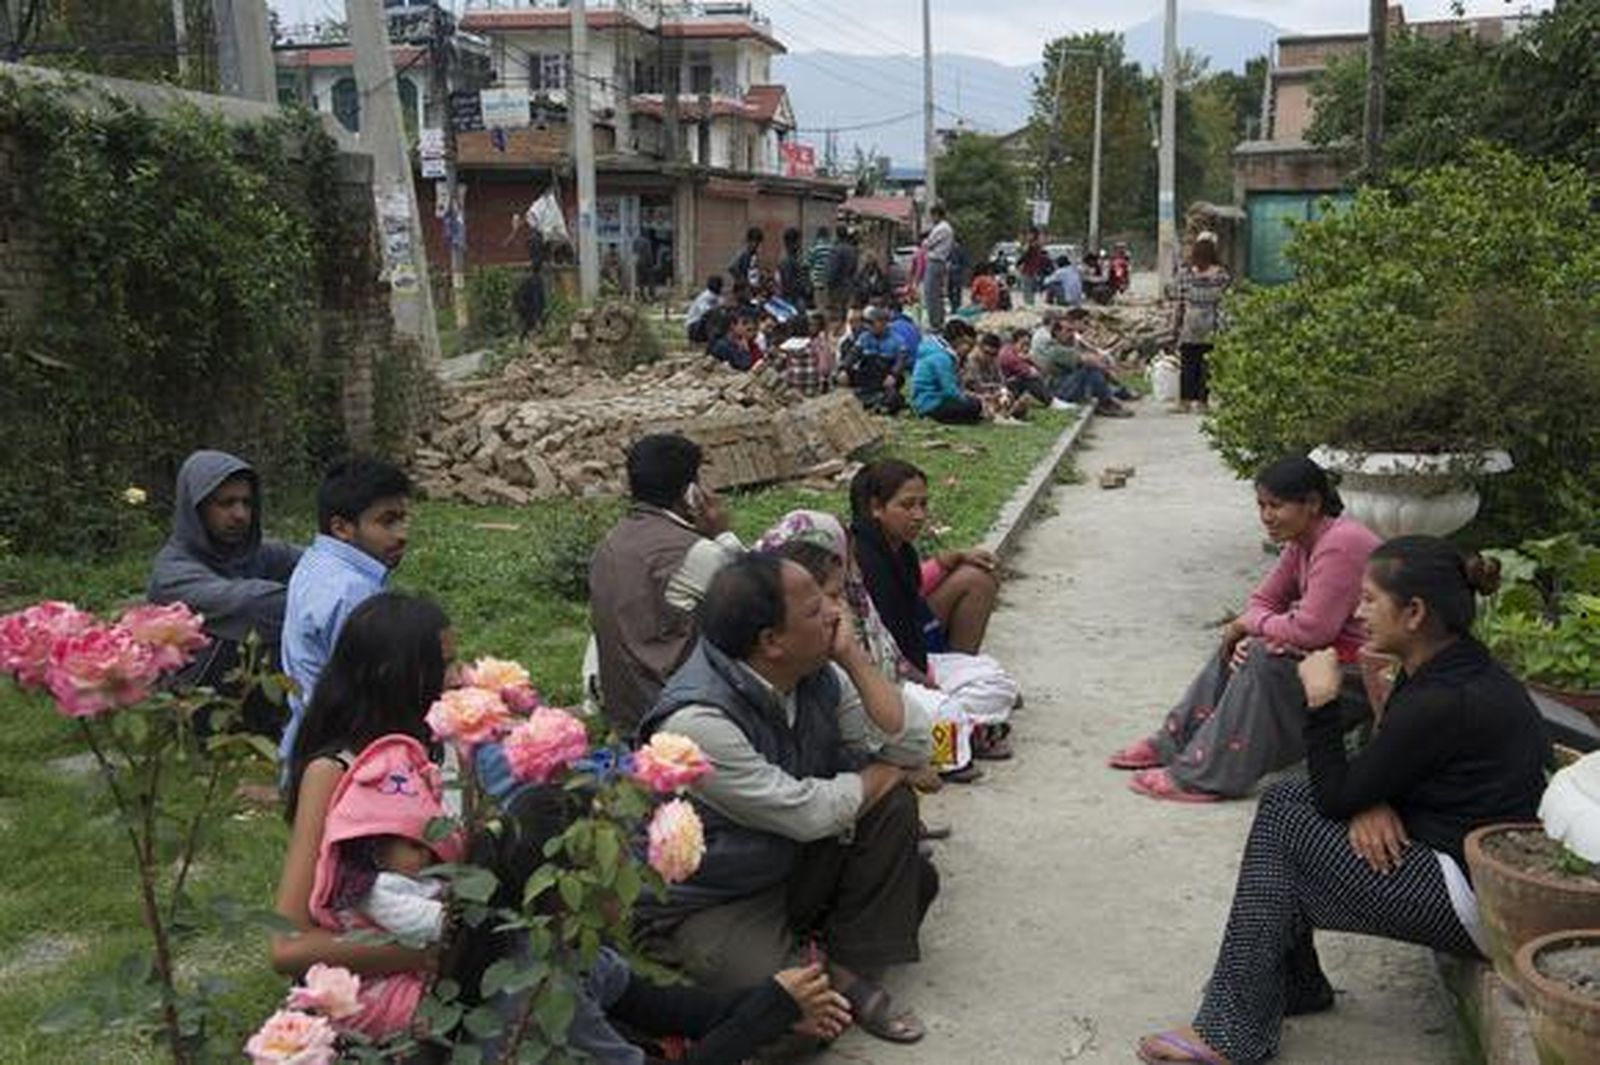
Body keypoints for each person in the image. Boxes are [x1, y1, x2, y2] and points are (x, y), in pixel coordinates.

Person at [1136, 537, 1550, 1065]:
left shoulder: (1445, 698)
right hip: (1460, 859)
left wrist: (1322, 701)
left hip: (1476, 902)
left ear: (1415, 612)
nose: (1358, 613)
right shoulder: (1451, 664)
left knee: (1287, 824)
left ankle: (1229, 1034)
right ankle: (1295, 984)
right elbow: (1372, 771)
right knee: (1288, 798)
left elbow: (1337, 792)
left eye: (1371, 600)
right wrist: (1368, 800)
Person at [635, 554, 936, 1044]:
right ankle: (826, 974)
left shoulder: (815, 673)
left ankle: (836, 965)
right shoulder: (698, 721)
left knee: (897, 822)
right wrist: (886, 773)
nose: (836, 616)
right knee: (785, 1027)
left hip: (784, 860)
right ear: (771, 641)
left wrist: (856, 659)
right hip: (715, 896)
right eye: (817, 609)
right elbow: (805, 812)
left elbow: (911, 745)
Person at [1111, 456, 1382, 802]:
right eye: (1261, 505)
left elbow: (1313, 630)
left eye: (1276, 505)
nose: (1266, 516)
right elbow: (1263, 600)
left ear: (1312, 503)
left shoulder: (1340, 543)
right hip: (1325, 656)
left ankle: (1205, 775)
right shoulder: (1302, 540)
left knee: (1258, 654)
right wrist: (1249, 628)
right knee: (1241, 642)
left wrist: (1251, 627)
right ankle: (1175, 742)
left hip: (1362, 672)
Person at [752, 511, 982, 779]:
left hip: (896, 684)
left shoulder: (827, 667)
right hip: (801, 806)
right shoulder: (737, 692)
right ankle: (961, 744)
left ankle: (966, 734)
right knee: (938, 721)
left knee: (965, 694)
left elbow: (909, 740)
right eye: (828, 598)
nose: (838, 611)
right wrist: (890, 777)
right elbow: (798, 805)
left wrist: (853, 658)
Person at [588, 434, 742, 735]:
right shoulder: (694, 553)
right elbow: (763, 597)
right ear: (691, 492)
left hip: (624, 714)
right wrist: (722, 535)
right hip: (678, 717)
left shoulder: (608, 545)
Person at [279, 456, 412, 771]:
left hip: (309, 742)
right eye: (387, 521)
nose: (402, 533)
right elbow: (370, 695)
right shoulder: (351, 592)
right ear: (342, 527)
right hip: (342, 756)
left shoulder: (317, 560)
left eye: (403, 519)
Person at [148, 450, 303, 711]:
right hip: (196, 710)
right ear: (197, 508)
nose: (240, 514)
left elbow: (319, 564)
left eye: (246, 503)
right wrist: (328, 602)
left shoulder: (254, 552)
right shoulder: (173, 574)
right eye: (226, 503)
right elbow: (250, 605)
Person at [850, 460, 998, 666]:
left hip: (911, 639)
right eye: (907, 505)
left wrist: (947, 560)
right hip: (889, 657)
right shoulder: (866, 562)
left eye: (923, 504)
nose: (919, 516)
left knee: (976, 579)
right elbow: (893, 641)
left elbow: (912, 590)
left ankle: (961, 665)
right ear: (876, 507)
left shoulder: (900, 549)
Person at [1030, 310, 1132, 417]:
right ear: (1057, 332)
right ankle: (1106, 401)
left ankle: (1110, 397)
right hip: (1059, 391)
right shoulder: (1055, 349)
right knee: (1090, 369)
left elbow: (1088, 354)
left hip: (1065, 385)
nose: (1072, 334)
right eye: (1068, 331)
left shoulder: (1065, 345)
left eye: (1072, 331)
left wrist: (1102, 362)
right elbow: (1086, 359)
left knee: (1092, 368)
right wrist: (1106, 366)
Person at [1173, 232, 1231, 414]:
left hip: (1191, 322)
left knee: (1188, 363)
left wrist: (1176, 325)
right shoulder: (1221, 275)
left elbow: (1180, 301)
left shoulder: (1186, 273)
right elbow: (1223, 302)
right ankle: (1202, 403)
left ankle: (1184, 401)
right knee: (1206, 365)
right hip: (1210, 322)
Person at [911, 319, 985, 425]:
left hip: (924, 401)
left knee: (973, 405)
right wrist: (970, 398)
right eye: (966, 344)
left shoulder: (935, 350)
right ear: (959, 339)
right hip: (930, 403)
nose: (968, 349)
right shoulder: (942, 358)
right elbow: (950, 391)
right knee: (975, 406)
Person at [841, 306, 909, 414]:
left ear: (883, 323)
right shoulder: (864, 337)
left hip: (885, 376)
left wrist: (893, 375)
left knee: (892, 397)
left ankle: (882, 403)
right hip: (867, 375)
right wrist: (844, 369)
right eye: (867, 323)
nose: (869, 326)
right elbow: (853, 354)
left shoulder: (897, 340)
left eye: (872, 323)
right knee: (842, 378)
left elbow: (901, 360)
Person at [771, 311, 833, 397]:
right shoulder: (816, 343)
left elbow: (777, 364)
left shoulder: (787, 346)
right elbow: (824, 368)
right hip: (813, 388)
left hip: (794, 389)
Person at [998, 328, 1053, 406]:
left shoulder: (1018, 354)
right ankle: (1050, 401)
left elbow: (1043, 371)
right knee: (1028, 379)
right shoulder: (1008, 354)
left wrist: (1030, 360)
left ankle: (1050, 399)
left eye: (1028, 345)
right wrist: (1031, 365)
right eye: (1023, 344)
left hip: (1012, 387)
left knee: (1030, 378)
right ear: (1014, 342)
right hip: (1005, 388)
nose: (1025, 348)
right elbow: (1028, 372)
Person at [920, 205, 954, 328]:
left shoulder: (942, 228)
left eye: (933, 215)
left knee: (931, 293)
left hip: (936, 261)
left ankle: (935, 322)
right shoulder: (944, 228)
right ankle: (938, 321)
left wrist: (925, 241)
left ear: (937, 215)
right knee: (937, 294)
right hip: (939, 262)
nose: (932, 218)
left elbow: (927, 244)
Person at [824, 229, 860, 318]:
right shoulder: (852, 250)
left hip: (837, 285)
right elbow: (855, 268)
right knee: (845, 309)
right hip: (848, 284)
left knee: (835, 311)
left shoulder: (836, 249)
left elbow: (833, 269)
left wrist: (828, 282)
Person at [776, 226, 811, 312]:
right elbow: (789, 284)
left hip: (795, 299)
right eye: (797, 241)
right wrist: (804, 288)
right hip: (793, 299)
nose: (799, 245)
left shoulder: (795, 259)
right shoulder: (788, 261)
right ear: (791, 243)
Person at [685, 275, 724, 345]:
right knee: (711, 316)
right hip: (694, 327)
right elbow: (705, 311)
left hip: (700, 327)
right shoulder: (705, 296)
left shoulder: (717, 297)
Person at [1017, 228, 1050, 305]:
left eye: (1029, 234)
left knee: (1027, 289)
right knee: (1030, 288)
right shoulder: (1036, 245)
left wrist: (1018, 264)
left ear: (1033, 234)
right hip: (1033, 270)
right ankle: (1030, 303)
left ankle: (1029, 304)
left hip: (1029, 270)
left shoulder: (1032, 245)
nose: (1027, 236)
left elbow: (1025, 256)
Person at [806, 226, 834, 299]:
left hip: (816, 277)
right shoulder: (831, 248)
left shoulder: (814, 248)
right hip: (828, 277)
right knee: (826, 299)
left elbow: (808, 263)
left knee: (818, 299)